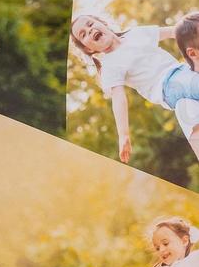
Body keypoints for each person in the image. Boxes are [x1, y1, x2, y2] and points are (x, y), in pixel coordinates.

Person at [70, 12, 199, 163]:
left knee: (187, 109)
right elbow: (119, 99)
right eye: (83, 34)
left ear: (103, 24)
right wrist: (123, 135)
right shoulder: (110, 65)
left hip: (183, 70)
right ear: (88, 49)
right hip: (167, 86)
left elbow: (173, 31)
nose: (89, 30)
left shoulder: (135, 34)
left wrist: (191, 26)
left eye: (90, 24)